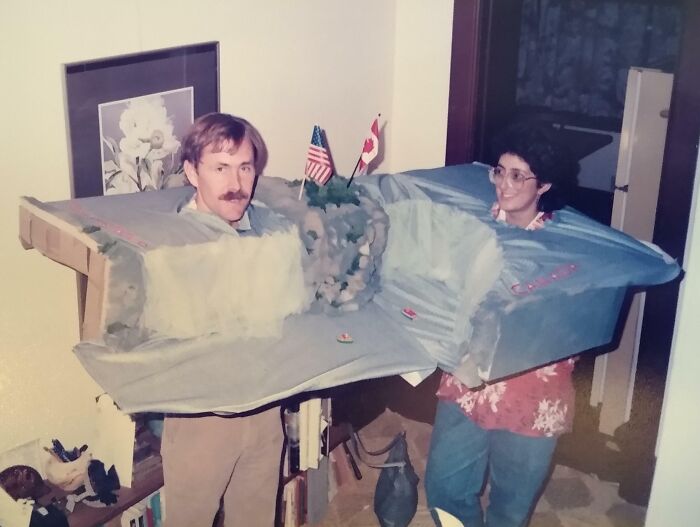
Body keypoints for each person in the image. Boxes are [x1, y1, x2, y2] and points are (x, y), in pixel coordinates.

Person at [425, 121, 580, 527]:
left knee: (510, 506)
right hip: (468, 381)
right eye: (500, 171)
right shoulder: (473, 227)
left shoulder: (564, 246)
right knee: (444, 487)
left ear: (543, 185)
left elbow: (574, 324)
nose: (503, 185)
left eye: (518, 176)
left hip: (533, 390)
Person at [160, 112, 284, 527]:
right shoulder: (171, 246)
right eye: (220, 168)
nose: (236, 183)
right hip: (203, 420)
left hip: (263, 408)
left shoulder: (265, 231)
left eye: (245, 167)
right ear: (192, 172)